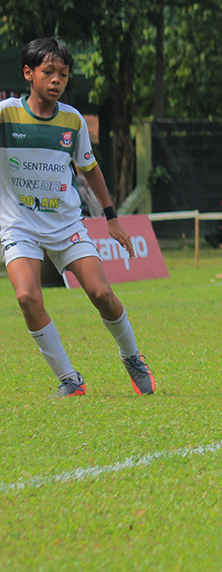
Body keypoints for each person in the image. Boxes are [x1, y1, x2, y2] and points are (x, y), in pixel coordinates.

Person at [0, 37, 155, 397]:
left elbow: (91, 170)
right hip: (19, 225)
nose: (56, 80)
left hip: (67, 225)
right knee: (26, 297)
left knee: (101, 293)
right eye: (48, 72)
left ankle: (131, 356)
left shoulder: (72, 121)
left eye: (63, 74)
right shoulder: (6, 114)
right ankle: (70, 379)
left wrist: (111, 217)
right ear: (28, 73)